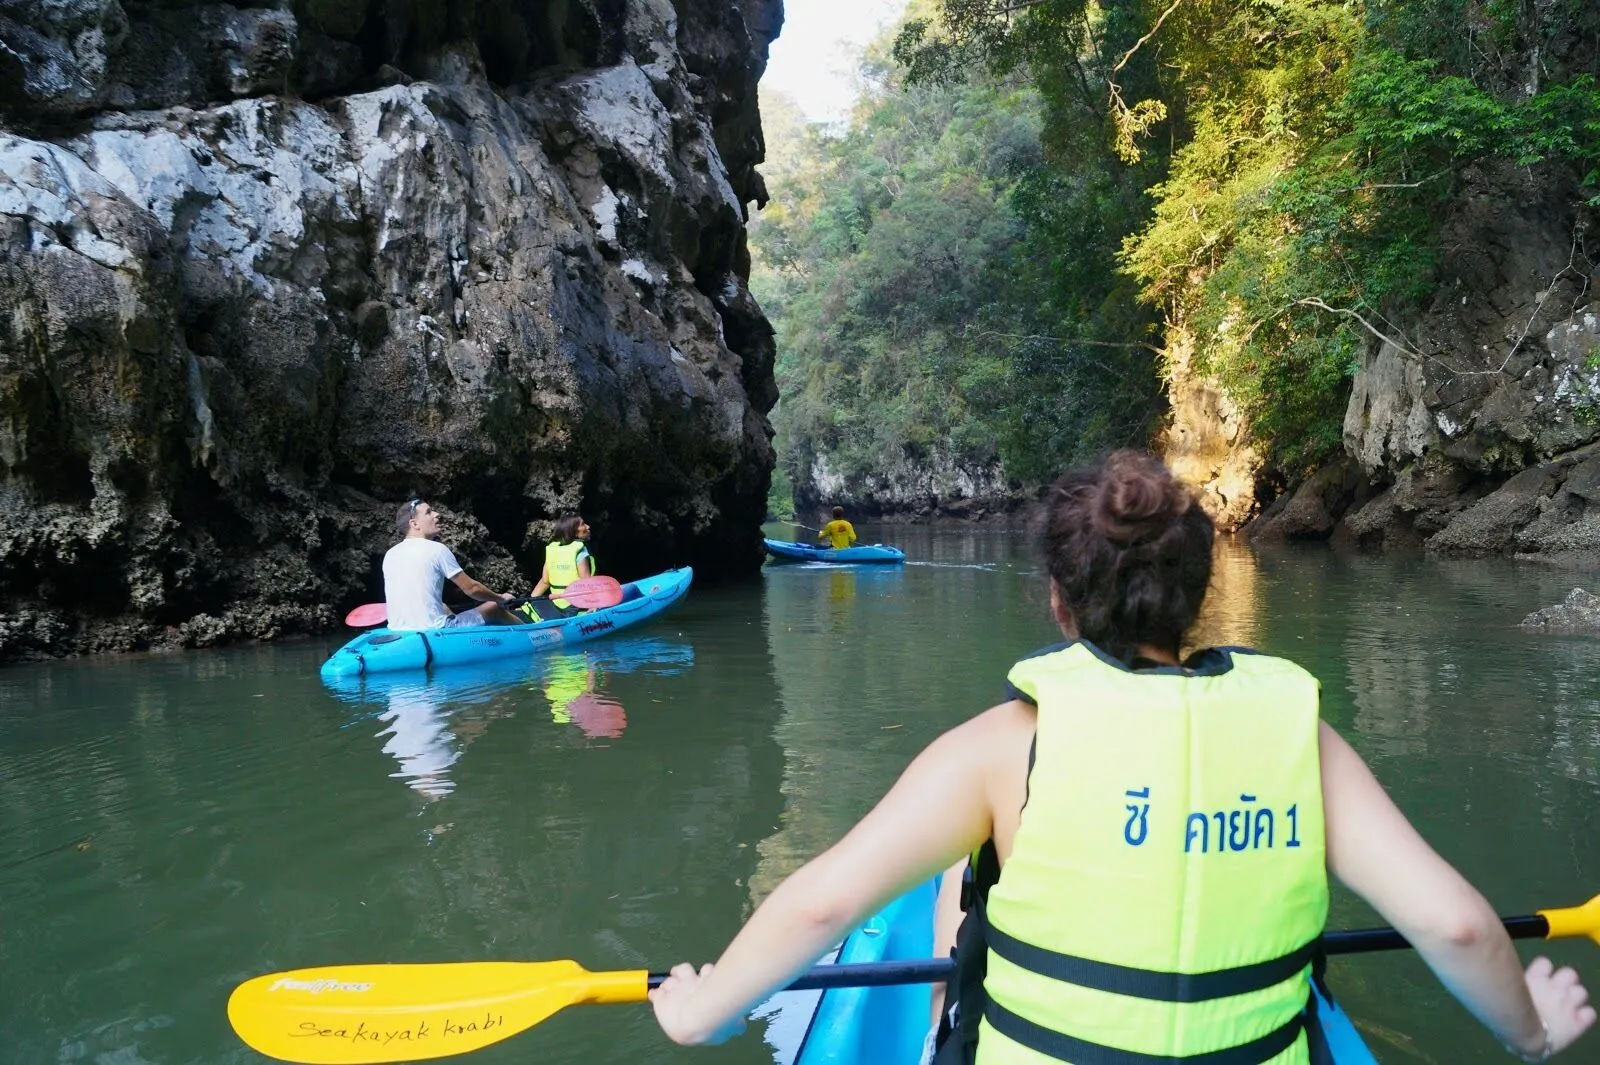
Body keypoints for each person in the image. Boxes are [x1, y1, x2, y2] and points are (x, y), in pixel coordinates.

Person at [650, 451, 1595, 1063]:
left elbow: (819, 906)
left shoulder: (999, 748)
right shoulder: (1298, 733)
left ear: (1058, 601)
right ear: (1197, 593)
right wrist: (1533, 1029)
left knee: (964, 880)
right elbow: (1457, 927)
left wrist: (701, 1010)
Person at [383, 498, 522, 629]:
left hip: (398, 630)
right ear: (414, 524)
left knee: (443, 607)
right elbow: (472, 588)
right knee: (493, 607)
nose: (437, 514)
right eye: (429, 512)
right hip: (435, 629)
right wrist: (500, 598)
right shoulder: (436, 549)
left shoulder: (390, 554)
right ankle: (530, 634)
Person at [517, 514, 595, 622]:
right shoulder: (580, 551)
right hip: (575, 607)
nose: (588, 527)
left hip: (556, 604)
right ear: (573, 532)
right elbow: (586, 583)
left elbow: (545, 582)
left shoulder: (553, 551)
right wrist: (593, 605)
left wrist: (529, 602)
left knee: (536, 606)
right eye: (583, 524)